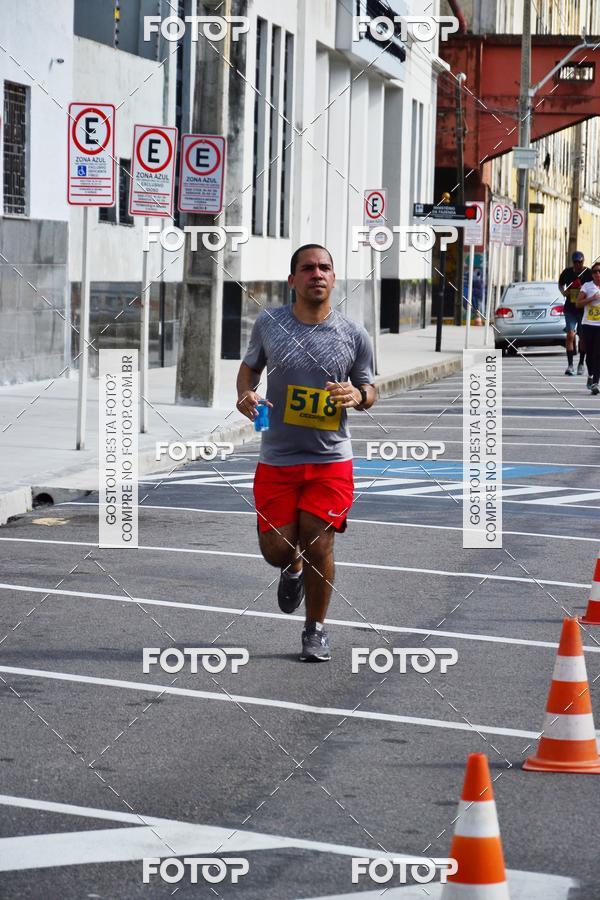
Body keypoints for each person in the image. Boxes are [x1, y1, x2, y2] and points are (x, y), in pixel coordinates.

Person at [235, 244, 376, 661]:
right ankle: (291, 566)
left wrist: (358, 394)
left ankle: (315, 629)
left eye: (325, 267)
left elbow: (369, 388)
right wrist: (246, 394)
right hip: (278, 458)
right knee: (276, 549)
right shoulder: (270, 324)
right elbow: (249, 368)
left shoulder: (354, 334)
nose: (318, 273)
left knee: (319, 543)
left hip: (330, 459)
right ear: (292, 279)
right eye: (308, 268)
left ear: (334, 278)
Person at [558, 251, 591, 376]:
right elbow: (560, 284)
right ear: (572, 262)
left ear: (583, 261)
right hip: (570, 309)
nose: (578, 264)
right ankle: (570, 365)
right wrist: (563, 292)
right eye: (575, 262)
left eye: (580, 262)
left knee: (583, 338)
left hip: (584, 310)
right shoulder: (567, 272)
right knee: (570, 335)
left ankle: (581, 363)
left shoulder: (588, 273)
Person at [576, 262, 600, 395]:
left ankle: (596, 382)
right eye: (595, 271)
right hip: (588, 324)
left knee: (598, 354)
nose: (597, 274)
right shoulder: (587, 286)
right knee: (589, 354)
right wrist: (592, 298)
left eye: (599, 271)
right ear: (592, 274)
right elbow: (578, 304)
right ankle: (590, 375)